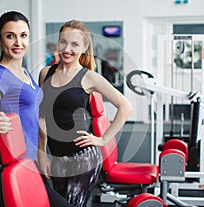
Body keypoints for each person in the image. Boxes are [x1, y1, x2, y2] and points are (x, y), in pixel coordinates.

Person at [0, 11, 73, 207]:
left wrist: (41, 154)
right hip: (15, 166)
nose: (18, 42)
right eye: (10, 36)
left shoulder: (25, 72)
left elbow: (34, 117)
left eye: (23, 35)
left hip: (32, 161)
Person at [38, 20, 133, 207]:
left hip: (83, 158)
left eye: (75, 44)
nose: (67, 48)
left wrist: (102, 139)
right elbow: (41, 116)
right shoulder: (45, 74)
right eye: (63, 42)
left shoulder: (89, 77)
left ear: (84, 47)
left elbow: (125, 106)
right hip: (57, 157)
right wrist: (41, 153)